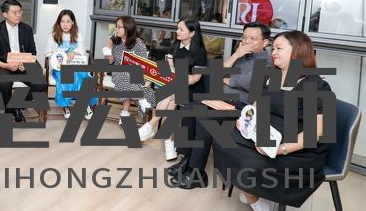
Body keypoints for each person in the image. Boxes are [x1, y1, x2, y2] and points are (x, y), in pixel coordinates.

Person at [212, 31, 333, 211]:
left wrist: (280, 149)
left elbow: (315, 133)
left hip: (296, 149)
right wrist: (245, 119)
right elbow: (256, 105)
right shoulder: (272, 75)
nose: (273, 52)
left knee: (249, 162)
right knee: (223, 140)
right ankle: (253, 195)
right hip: (266, 136)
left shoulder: (316, 85)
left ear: (297, 51)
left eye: (279, 48)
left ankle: (256, 198)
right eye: (273, 48)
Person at [167, 22, 271, 189]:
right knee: (189, 108)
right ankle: (186, 160)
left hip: (241, 106)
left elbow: (250, 84)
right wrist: (235, 55)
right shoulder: (242, 55)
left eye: (253, 39)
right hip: (223, 100)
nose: (247, 42)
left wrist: (229, 80)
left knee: (204, 119)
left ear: (265, 42)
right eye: (244, 37)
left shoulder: (266, 60)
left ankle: (197, 173)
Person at [137, 19, 207, 160]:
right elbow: (170, 71)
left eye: (181, 29)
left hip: (194, 90)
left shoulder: (200, 52)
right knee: (170, 103)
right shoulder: (174, 47)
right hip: (176, 88)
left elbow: (195, 79)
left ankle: (152, 123)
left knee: (170, 95)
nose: (177, 32)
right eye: (177, 28)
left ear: (192, 33)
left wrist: (180, 76)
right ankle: (168, 142)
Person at [0, 0, 46, 122]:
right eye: (14, 12)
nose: (18, 15)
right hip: (4, 65)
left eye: (20, 12)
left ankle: (15, 105)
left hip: (24, 64)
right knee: (4, 84)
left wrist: (26, 63)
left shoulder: (27, 29)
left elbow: (32, 51)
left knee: (41, 83)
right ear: (5, 14)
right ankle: (12, 109)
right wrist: (4, 65)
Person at [44, 10, 96, 119]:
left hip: (76, 66)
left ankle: (85, 105)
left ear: (73, 22)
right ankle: (65, 106)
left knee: (84, 76)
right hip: (60, 68)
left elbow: (83, 52)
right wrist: (59, 55)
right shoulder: (53, 35)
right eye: (62, 21)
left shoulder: (78, 35)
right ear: (59, 22)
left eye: (68, 21)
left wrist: (75, 53)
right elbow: (48, 53)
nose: (65, 24)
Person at [104, 16, 154, 125]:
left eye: (119, 27)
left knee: (127, 77)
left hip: (136, 74)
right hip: (117, 72)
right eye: (116, 26)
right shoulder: (114, 42)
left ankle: (125, 112)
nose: (116, 29)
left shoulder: (138, 43)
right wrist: (108, 48)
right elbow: (109, 62)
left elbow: (144, 63)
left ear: (127, 28)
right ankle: (141, 98)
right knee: (123, 75)